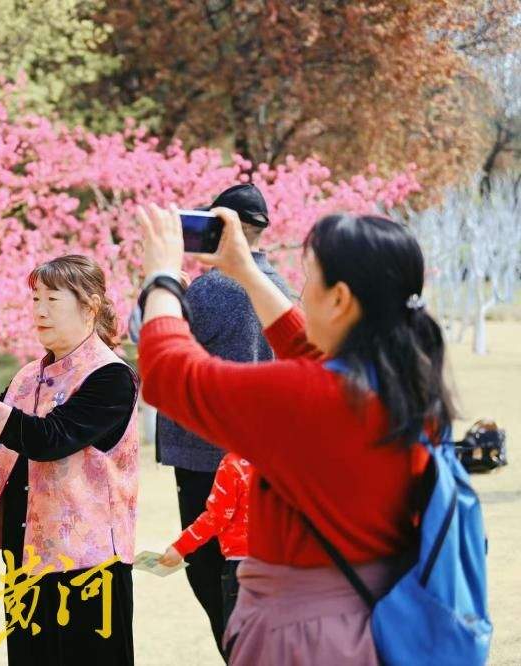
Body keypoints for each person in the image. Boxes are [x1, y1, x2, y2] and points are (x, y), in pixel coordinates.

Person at [136, 204, 452, 663]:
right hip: (372, 624)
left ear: (340, 299)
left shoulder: (306, 397)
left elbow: (168, 374)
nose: (301, 292)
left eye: (310, 280)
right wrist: (245, 271)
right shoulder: (402, 382)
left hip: (308, 639)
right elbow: (305, 347)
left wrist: (161, 278)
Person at [0, 255, 139, 665]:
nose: (40, 310)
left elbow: (47, 438)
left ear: (89, 306)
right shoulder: (28, 376)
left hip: (87, 564)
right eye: (35, 299)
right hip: (25, 554)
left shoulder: (111, 376)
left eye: (53, 298)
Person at [128, 183, 292, 656]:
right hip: (266, 456)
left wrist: (162, 279)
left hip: (207, 455)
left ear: (221, 230)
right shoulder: (279, 288)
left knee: (211, 577)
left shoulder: (210, 290)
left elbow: (150, 340)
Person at [158, 453, 252, 630]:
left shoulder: (233, 464)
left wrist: (180, 548)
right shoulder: (285, 465)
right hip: (281, 569)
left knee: (242, 644)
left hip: (242, 569)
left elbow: (216, 517)